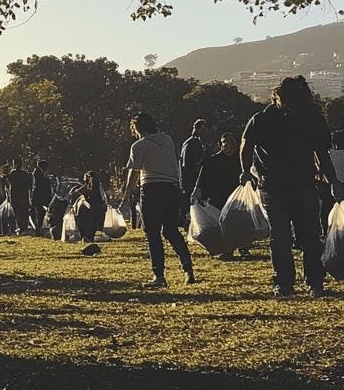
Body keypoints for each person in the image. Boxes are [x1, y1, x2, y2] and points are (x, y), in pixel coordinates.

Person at [241, 76, 341, 298]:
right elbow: (322, 154)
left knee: (282, 236)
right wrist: (332, 180)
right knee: (309, 234)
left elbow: (246, 146)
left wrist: (246, 170)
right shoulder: (310, 118)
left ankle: (285, 283)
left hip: (275, 185)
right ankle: (314, 282)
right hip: (301, 183)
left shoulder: (262, 119)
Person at [123, 112, 197, 287]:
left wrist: (127, 194)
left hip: (151, 189)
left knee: (153, 233)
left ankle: (159, 275)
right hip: (172, 189)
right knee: (171, 230)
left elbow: (134, 171)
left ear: (136, 129)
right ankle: (188, 268)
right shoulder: (167, 140)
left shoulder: (138, 146)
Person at [192, 132, 249, 258]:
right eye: (225, 144)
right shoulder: (213, 160)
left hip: (236, 195)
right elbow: (202, 177)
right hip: (219, 195)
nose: (229, 147)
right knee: (223, 223)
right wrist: (198, 191)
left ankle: (243, 247)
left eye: (231, 144)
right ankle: (228, 249)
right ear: (221, 145)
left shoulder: (240, 161)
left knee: (239, 221)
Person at [74, 170, 108, 255]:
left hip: (94, 205)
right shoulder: (93, 181)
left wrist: (81, 193)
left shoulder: (93, 181)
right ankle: (89, 237)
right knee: (92, 223)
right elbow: (83, 188)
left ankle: (89, 238)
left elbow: (91, 191)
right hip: (96, 205)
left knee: (90, 222)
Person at [6, 158, 33, 235]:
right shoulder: (25, 174)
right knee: (23, 212)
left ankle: (20, 227)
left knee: (18, 213)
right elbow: (29, 185)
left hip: (16, 196)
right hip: (23, 195)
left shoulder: (12, 173)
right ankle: (23, 227)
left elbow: (9, 184)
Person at [30, 159, 53, 235]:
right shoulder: (38, 174)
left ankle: (38, 228)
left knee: (39, 213)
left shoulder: (37, 173)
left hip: (38, 196)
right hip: (40, 196)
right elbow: (42, 184)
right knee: (40, 213)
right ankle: (38, 228)